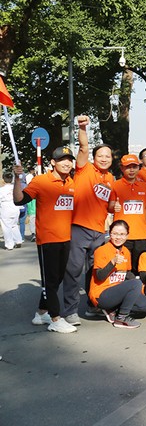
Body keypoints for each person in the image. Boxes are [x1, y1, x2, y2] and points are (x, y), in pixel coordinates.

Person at [13, 148, 77, 334]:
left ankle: (41, 313)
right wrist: (17, 179)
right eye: (62, 160)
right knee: (50, 281)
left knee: (56, 279)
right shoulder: (41, 181)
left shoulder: (71, 182)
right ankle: (55, 319)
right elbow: (19, 200)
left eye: (69, 160)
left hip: (66, 238)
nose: (66, 163)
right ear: (52, 162)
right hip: (47, 239)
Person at [63, 115, 115, 324]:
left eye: (108, 156)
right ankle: (70, 310)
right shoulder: (85, 169)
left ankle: (93, 305)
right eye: (100, 155)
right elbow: (83, 148)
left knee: (95, 271)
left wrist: (114, 208)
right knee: (74, 270)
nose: (104, 159)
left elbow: (108, 205)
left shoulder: (110, 178)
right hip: (79, 228)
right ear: (94, 158)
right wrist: (83, 128)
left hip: (99, 232)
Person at [89, 220, 146, 329]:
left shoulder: (126, 252)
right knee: (135, 283)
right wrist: (112, 262)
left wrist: (142, 287)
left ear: (127, 235)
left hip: (118, 292)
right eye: (115, 234)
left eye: (122, 234)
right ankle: (121, 318)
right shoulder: (101, 250)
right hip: (102, 295)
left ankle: (114, 310)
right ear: (110, 233)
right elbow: (100, 276)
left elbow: (127, 273)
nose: (118, 237)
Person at [109, 154, 146, 273]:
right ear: (122, 168)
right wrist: (114, 207)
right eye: (128, 167)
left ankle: (139, 290)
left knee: (139, 267)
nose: (132, 170)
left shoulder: (145, 187)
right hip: (122, 235)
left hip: (141, 234)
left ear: (139, 168)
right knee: (122, 266)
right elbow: (110, 206)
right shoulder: (115, 185)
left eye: (134, 166)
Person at [0, 171, 23, 250]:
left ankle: (9, 244)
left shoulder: (2, 190)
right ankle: (18, 240)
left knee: (6, 226)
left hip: (5, 208)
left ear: (3, 179)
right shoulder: (15, 188)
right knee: (14, 225)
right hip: (15, 207)